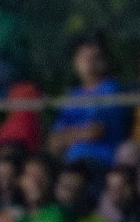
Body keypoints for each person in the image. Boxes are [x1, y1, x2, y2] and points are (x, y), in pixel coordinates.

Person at [47, 37, 127, 168]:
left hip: (101, 162)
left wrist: (68, 135)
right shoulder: (73, 95)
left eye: (93, 57)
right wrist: (82, 133)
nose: (88, 62)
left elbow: (95, 132)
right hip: (72, 165)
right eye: (83, 57)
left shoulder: (111, 89)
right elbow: (54, 141)